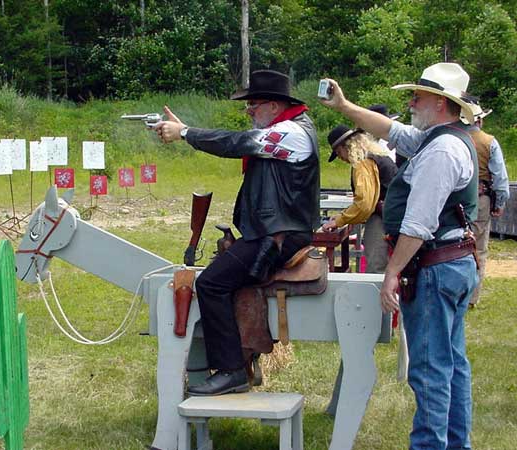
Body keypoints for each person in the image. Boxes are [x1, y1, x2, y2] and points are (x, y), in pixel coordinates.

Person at [320, 62, 479, 449]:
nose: (410, 102)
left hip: (436, 266)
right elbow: (388, 129)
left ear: (441, 103)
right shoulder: (440, 138)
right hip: (450, 264)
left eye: (418, 96)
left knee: (429, 370)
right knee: (451, 365)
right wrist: (344, 106)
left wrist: (393, 271)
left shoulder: (441, 149)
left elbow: (419, 223)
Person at [155, 69, 320, 396]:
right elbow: (236, 141)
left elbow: (237, 142)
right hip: (273, 232)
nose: (248, 111)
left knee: (211, 283)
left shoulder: (292, 132)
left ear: (274, 106)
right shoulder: (288, 127)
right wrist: (185, 132)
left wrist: (184, 132)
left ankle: (232, 371)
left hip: (279, 236)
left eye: (254, 105)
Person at [322, 125, 397, 273]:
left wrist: (339, 220)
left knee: (376, 267)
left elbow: (364, 204)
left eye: (339, 152)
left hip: (383, 217)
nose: (341, 158)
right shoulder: (377, 155)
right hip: (393, 214)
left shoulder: (363, 163)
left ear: (347, 146)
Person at [461, 103, 510, 307]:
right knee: (478, 248)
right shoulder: (489, 142)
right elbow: (500, 179)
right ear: (479, 120)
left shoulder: (453, 139)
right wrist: (499, 202)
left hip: (452, 200)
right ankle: (471, 298)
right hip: (479, 200)